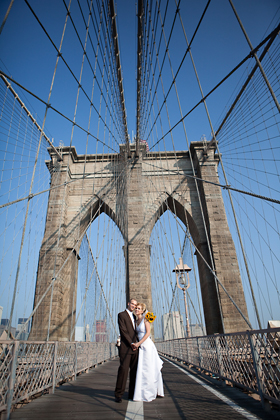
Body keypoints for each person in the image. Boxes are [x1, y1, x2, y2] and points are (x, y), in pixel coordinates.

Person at [132, 302, 164, 402]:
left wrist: (138, 344)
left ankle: (150, 392)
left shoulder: (146, 319)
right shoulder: (135, 320)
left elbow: (148, 334)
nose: (136, 309)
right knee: (143, 369)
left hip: (147, 346)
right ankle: (142, 392)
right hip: (141, 346)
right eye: (136, 308)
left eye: (138, 308)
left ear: (142, 311)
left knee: (149, 369)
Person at [115, 298, 138, 403]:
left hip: (135, 349)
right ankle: (118, 394)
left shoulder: (135, 316)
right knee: (123, 370)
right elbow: (123, 331)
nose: (133, 306)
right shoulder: (121, 315)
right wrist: (131, 343)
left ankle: (132, 394)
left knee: (134, 372)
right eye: (132, 304)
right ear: (128, 303)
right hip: (126, 347)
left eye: (135, 305)